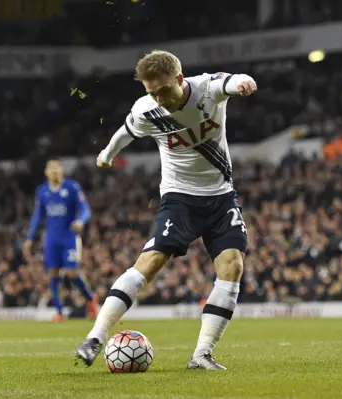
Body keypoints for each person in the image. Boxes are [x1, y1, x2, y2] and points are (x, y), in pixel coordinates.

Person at [75, 50, 257, 370]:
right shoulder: (147, 110)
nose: (157, 99)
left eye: (162, 90)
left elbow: (232, 81)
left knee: (233, 266)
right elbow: (125, 132)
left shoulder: (207, 89)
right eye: (151, 92)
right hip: (179, 197)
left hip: (221, 196)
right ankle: (95, 337)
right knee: (152, 260)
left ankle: (201, 354)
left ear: (180, 78)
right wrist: (106, 154)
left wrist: (245, 83)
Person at [23, 159, 98, 322]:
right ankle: (59, 312)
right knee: (53, 273)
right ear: (46, 172)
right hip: (51, 238)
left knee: (71, 273)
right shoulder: (42, 191)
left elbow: (85, 208)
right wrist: (30, 237)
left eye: (57, 169)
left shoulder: (71, 187)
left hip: (69, 237)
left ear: (62, 171)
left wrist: (81, 221)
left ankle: (90, 298)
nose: (55, 172)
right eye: (51, 169)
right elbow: (37, 216)